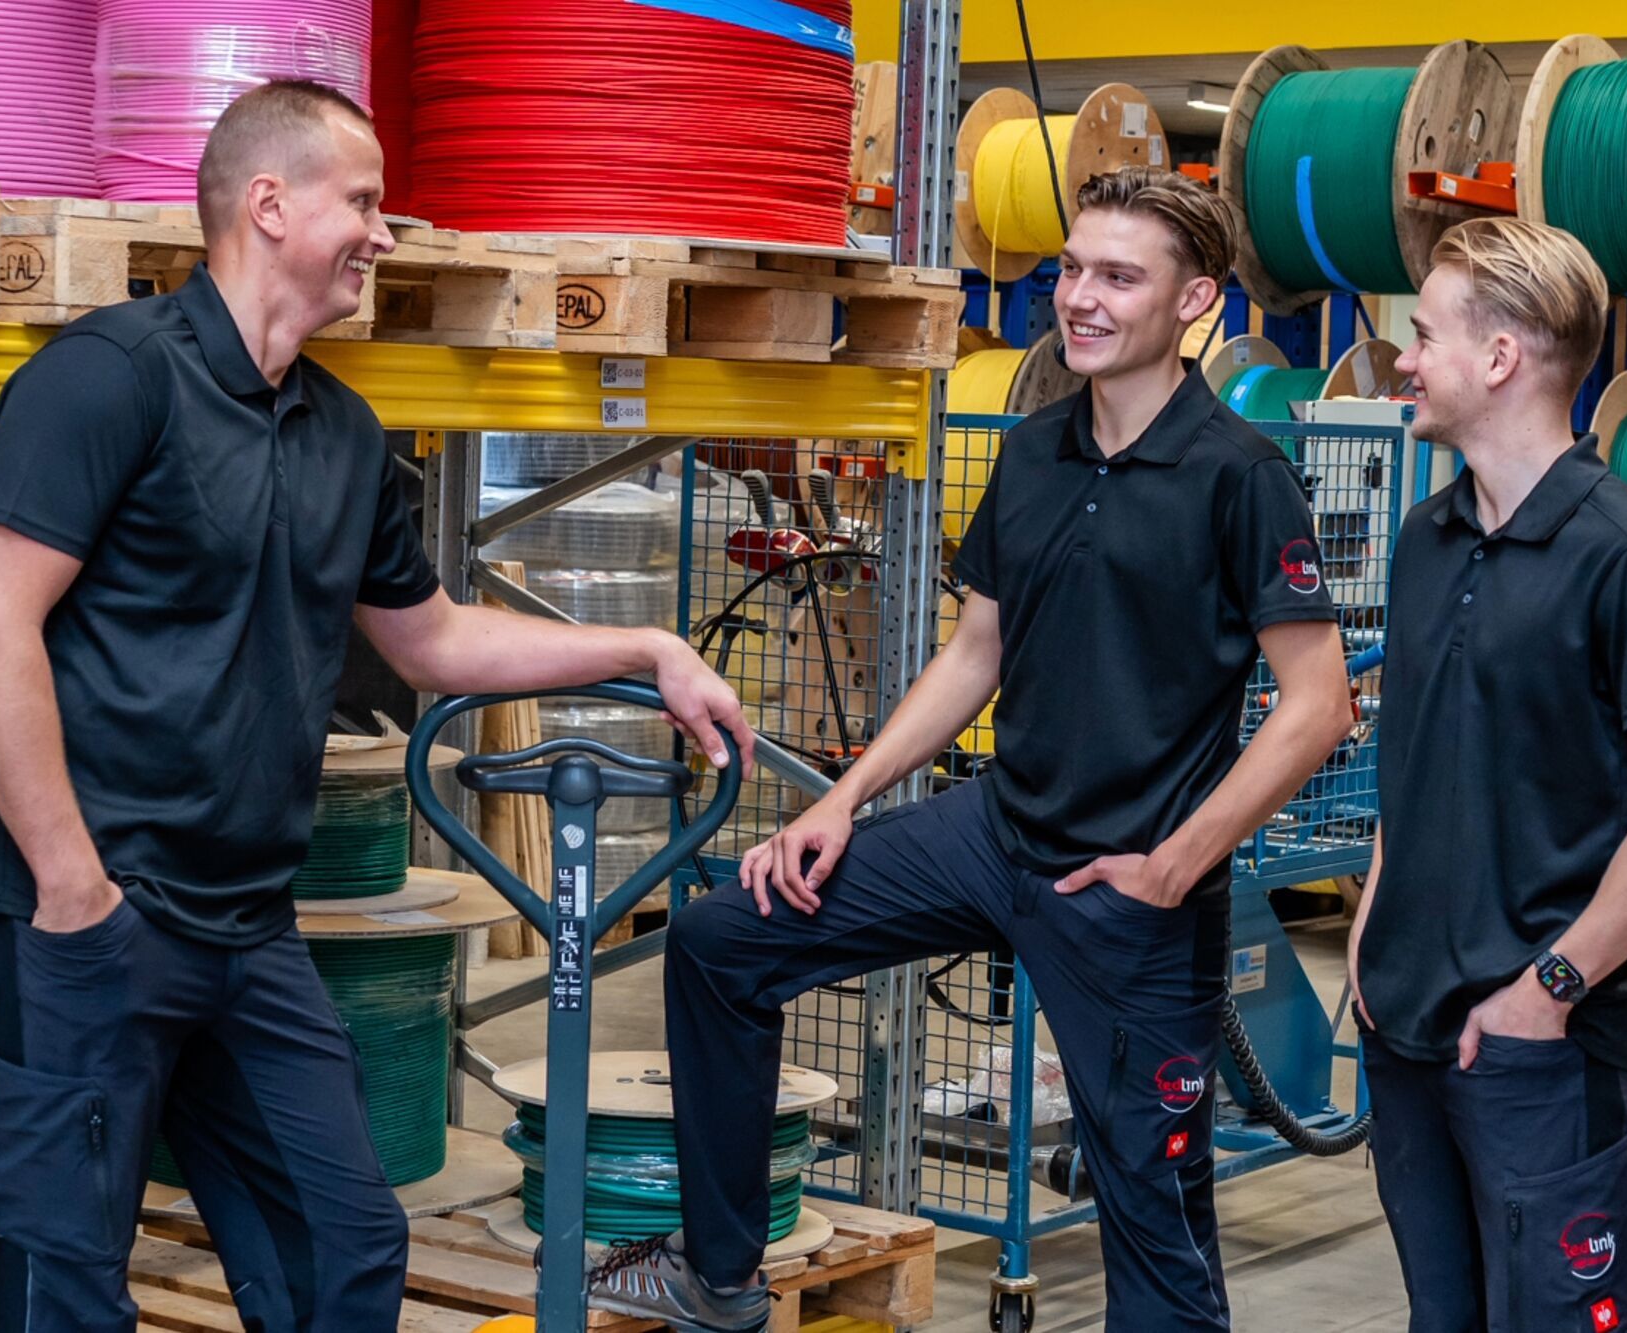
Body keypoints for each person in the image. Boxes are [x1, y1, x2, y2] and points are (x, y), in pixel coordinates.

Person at [0, 79, 753, 1333]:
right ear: (268, 204)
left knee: (345, 1245)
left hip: (242, 921)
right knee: (68, 1282)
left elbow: (432, 639)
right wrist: (70, 886)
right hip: (83, 914)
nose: (383, 233)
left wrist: (645, 649)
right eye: (364, 202)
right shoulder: (107, 379)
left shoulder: (344, 434)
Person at [578, 166, 1356, 1331]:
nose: (1079, 299)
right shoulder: (1035, 450)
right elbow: (973, 652)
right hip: (993, 831)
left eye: (1118, 277)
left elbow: (1317, 703)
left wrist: (1174, 864)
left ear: (1194, 300)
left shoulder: (1240, 477)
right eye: (1073, 270)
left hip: (1128, 889)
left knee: (1152, 1215)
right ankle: (722, 1276)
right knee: (721, 941)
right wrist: (841, 799)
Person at [1349, 218, 1627, 1332]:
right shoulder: (1425, 537)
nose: (1405, 358)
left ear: (1499, 357)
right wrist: (1371, 930)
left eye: (1425, 335)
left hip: (1539, 1047)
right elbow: (1418, 755)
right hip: (1404, 1027)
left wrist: (1549, 989)